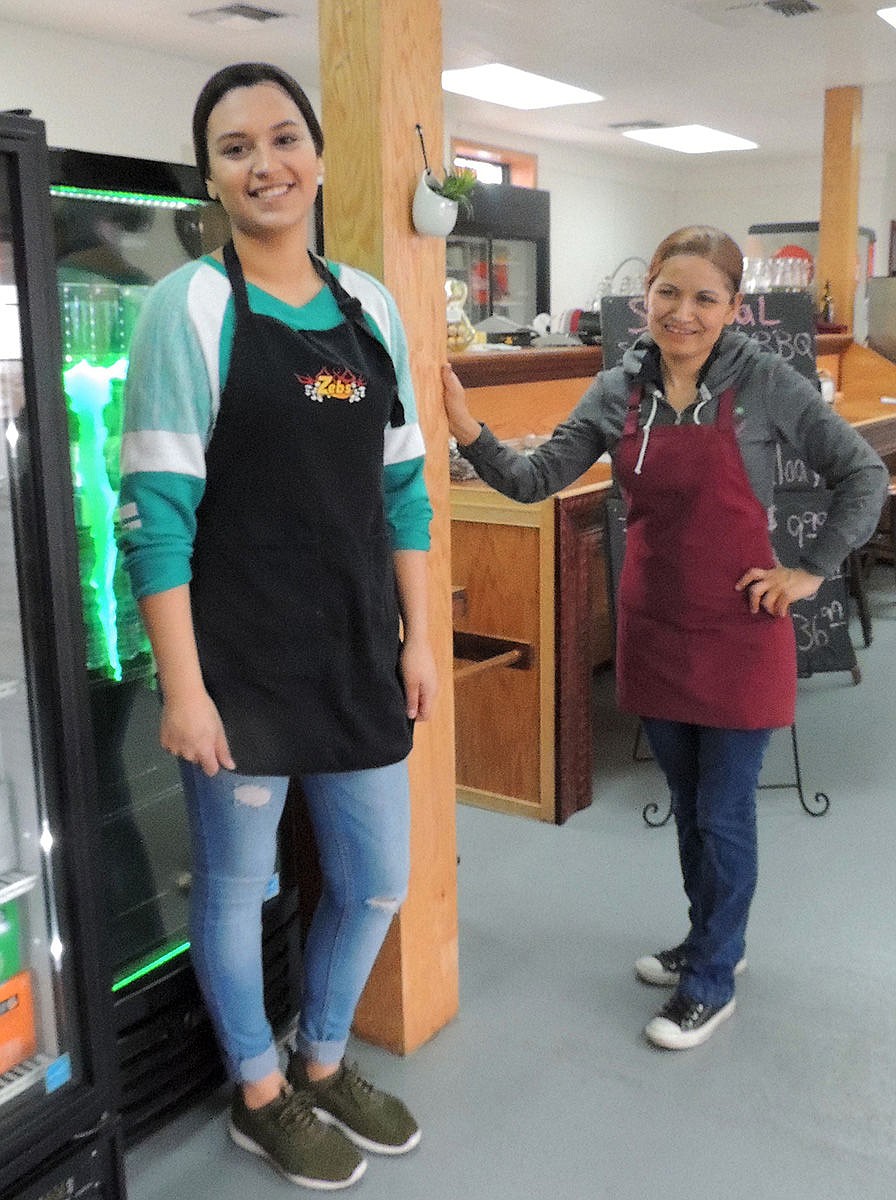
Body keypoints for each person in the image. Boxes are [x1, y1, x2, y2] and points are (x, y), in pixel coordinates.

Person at [443, 225, 886, 1052]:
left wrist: (813, 569)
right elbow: (538, 480)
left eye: (705, 297)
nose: (684, 313)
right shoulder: (616, 392)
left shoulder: (765, 383)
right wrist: (469, 428)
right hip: (655, 626)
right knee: (688, 807)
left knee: (723, 812)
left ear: (732, 307)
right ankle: (708, 940)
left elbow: (862, 474)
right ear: (646, 293)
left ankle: (713, 979)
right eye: (669, 293)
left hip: (741, 629)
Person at [118, 62, 437, 1190]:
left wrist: (418, 636)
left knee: (376, 881)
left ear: (317, 155)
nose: (267, 164)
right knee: (239, 887)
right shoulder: (189, 308)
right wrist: (185, 689)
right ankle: (258, 1089)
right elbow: (153, 519)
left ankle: (322, 1058)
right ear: (211, 176)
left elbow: (401, 488)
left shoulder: (369, 307)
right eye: (237, 147)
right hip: (240, 666)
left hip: (355, 653)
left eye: (284, 137)